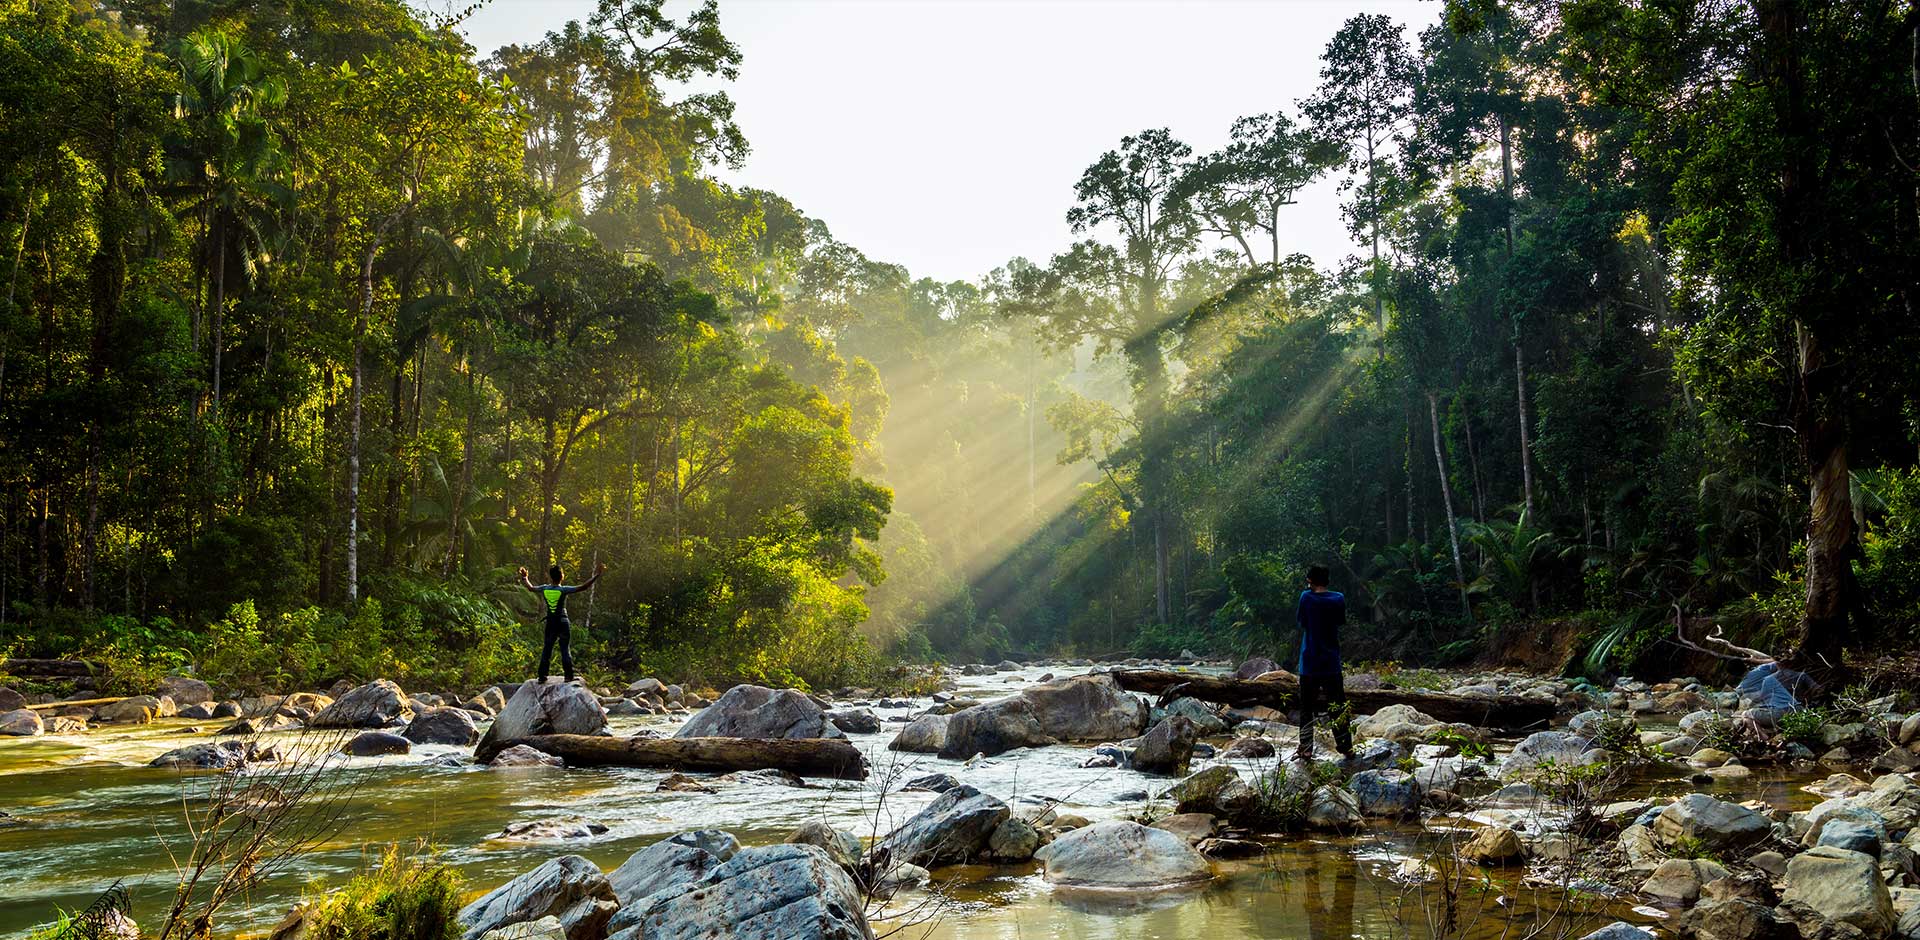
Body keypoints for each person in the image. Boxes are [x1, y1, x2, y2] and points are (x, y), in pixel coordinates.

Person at [1294, 564, 1353, 762]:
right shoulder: (1338, 598)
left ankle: (1306, 748)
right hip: (1331, 661)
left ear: (1310, 580)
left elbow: (1301, 622)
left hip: (1310, 661)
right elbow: (1340, 621)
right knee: (1337, 705)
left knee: (1306, 707)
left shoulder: (1306, 597)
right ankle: (1345, 746)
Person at [518, 561, 604, 683]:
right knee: (565, 649)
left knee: (547, 649)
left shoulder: (544, 588)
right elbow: (583, 587)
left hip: (551, 623)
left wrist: (525, 577)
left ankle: (542, 676)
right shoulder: (563, 590)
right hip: (563, 622)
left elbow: (531, 588)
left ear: (550, 577)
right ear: (562, 577)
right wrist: (596, 575)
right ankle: (568, 676)